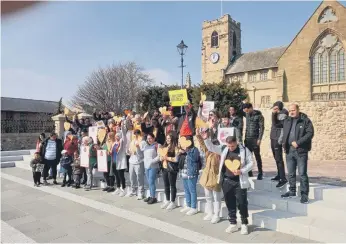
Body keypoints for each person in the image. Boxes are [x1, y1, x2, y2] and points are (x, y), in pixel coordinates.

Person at [202, 133, 253, 235]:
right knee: (230, 203)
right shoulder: (224, 149)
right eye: (229, 146)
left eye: (232, 146)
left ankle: (244, 224)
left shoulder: (244, 150)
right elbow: (211, 147)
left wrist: (241, 171)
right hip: (227, 181)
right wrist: (206, 139)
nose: (231, 148)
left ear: (236, 143)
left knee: (242, 203)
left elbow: (251, 163)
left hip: (239, 181)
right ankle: (233, 223)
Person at [280, 103, 314, 204]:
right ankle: (292, 191)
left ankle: (304, 195)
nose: (291, 112)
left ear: (298, 110)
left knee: (302, 173)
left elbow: (310, 133)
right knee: (291, 173)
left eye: (293, 110)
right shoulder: (287, 120)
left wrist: (298, 143)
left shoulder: (305, 120)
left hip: (301, 151)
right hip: (289, 151)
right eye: (290, 111)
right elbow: (281, 129)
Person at [196, 128, 221, 224]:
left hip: (216, 177)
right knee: (208, 196)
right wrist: (199, 135)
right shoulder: (208, 152)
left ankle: (216, 215)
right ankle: (210, 213)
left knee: (216, 197)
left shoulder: (219, 154)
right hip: (206, 177)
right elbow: (202, 144)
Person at [178, 136, 200, 216]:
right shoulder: (183, 150)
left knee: (192, 190)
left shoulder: (195, 150)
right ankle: (188, 205)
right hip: (184, 172)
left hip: (192, 172)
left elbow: (195, 159)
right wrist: (180, 153)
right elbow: (178, 160)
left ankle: (194, 207)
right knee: (186, 190)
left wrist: (187, 151)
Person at [242, 103, 264, 180]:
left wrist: (259, 139)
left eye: (247, 110)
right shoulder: (247, 115)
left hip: (255, 139)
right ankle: (249, 172)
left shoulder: (259, 115)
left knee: (257, 156)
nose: (246, 112)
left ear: (251, 108)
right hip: (247, 139)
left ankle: (260, 173)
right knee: (248, 157)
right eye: (245, 111)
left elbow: (262, 128)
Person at [270, 101, 288, 188]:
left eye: (276, 108)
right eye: (274, 108)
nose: (274, 110)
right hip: (273, 138)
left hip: (277, 139)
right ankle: (279, 175)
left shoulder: (283, 114)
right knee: (276, 159)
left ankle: (283, 179)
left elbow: (276, 124)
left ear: (279, 108)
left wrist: (274, 114)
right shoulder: (276, 114)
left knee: (279, 159)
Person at [159, 132, 179, 211]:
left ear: (172, 139)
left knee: (172, 185)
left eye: (169, 139)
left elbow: (176, 159)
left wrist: (167, 158)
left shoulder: (175, 147)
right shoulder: (164, 147)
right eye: (167, 138)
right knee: (166, 185)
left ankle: (173, 202)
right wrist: (161, 158)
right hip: (164, 168)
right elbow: (160, 157)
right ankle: (167, 200)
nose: (167, 140)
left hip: (171, 169)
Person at [142, 132, 160, 204]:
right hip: (146, 166)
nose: (149, 140)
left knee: (151, 182)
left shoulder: (157, 145)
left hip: (153, 166)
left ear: (154, 138)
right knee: (149, 182)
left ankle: (153, 197)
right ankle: (150, 195)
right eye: (148, 139)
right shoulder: (146, 146)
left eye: (150, 138)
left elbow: (159, 156)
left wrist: (152, 161)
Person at [127, 129, 146, 199]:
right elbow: (129, 150)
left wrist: (137, 149)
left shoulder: (142, 142)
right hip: (131, 161)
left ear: (139, 134)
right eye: (134, 134)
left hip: (139, 161)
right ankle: (133, 190)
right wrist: (129, 152)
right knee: (132, 177)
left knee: (139, 177)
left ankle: (141, 192)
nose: (135, 135)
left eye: (136, 133)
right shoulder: (132, 141)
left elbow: (142, 153)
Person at [111, 122, 128, 197]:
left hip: (120, 162)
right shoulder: (114, 143)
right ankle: (118, 188)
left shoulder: (122, 142)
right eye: (116, 136)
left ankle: (123, 189)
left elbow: (124, 135)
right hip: (114, 161)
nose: (116, 137)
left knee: (121, 176)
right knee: (116, 175)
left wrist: (122, 127)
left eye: (118, 136)